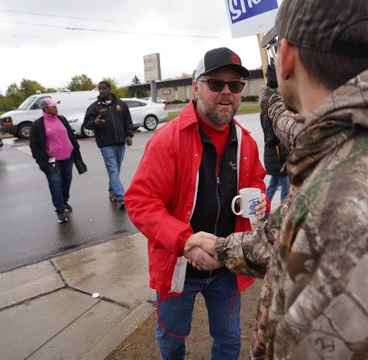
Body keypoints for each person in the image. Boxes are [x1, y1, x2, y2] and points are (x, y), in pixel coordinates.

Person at [184, 0, 368, 358]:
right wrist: (221, 248)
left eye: (277, 50)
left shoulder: (353, 205)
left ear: (286, 56)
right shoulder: (356, 143)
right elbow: (288, 233)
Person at [124, 47, 270, 359]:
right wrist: (184, 241)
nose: (227, 92)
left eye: (235, 85)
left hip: (227, 264)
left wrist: (260, 201)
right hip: (178, 266)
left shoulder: (246, 141)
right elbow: (140, 201)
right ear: (196, 87)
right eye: (216, 84)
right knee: (172, 338)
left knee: (229, 338)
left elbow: (256, 181)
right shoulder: (169, 139)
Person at [30, 98, 84, 223]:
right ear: (45, 109)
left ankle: (64, 202)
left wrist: (76, 148)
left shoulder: (62, 119)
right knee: (55, 183)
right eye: (53, 106)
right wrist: (40, 160)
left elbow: (70, 135)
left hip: (68, 157)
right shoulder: (38, 124)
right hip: (51, 159)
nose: (56, 108)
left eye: (56, 106)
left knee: (67, 181)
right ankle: (60, 210)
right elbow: (34, 145)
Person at [83, 81, 133, 209]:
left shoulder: (121, 104)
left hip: (120, 143)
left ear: (110, 89)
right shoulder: (94, 107)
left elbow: (127, 121)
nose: (101, 91)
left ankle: (112, 191)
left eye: (103, 88)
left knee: (115, 171)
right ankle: (121, 197)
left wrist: (129, 135)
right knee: (113, 169)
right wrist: (95, 122)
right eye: (99, 89)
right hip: (106, 144)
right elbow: (87, 124)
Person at [260, 63, 290, 205]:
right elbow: (275, 134)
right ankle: (282, 214)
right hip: (278, 152)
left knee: (274, 183)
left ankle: (264, 211)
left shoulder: (264, 107)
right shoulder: (275, 107)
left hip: (271, 151)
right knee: (285, 185)